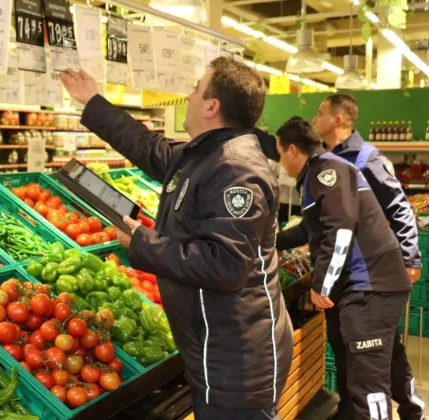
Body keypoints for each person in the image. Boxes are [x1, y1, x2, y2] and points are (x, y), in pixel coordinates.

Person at [59, 58, 293, 419]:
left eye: (196, 89)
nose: (188, 95)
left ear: (212, 106)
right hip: (215, 348)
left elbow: (225, 265)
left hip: (238, 360)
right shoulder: (206, 153)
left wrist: (142, 242)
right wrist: (93, 102)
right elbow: (146, 146)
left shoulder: (237, 169)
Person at [275, 117, 413, 420]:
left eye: (281, 154)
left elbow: (340, 230)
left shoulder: (326, 171)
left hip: (370, 285)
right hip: (368, 284)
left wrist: (321, 286)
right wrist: (275, 241)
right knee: (368, 364)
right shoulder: (322, 170)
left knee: (368, 379)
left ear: (294, 150)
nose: (281, 163)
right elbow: (314, 229)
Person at [312, 94, 424, 419]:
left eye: (320, 113)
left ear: (338, 119)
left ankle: (408, 407)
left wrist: (410, 258)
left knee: (379, 350)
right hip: (342, 273)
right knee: (346, 343)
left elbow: (399, 207)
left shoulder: (365, 157)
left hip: (371, 274)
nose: (314, 119)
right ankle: (351, 408)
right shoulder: (326, 160)